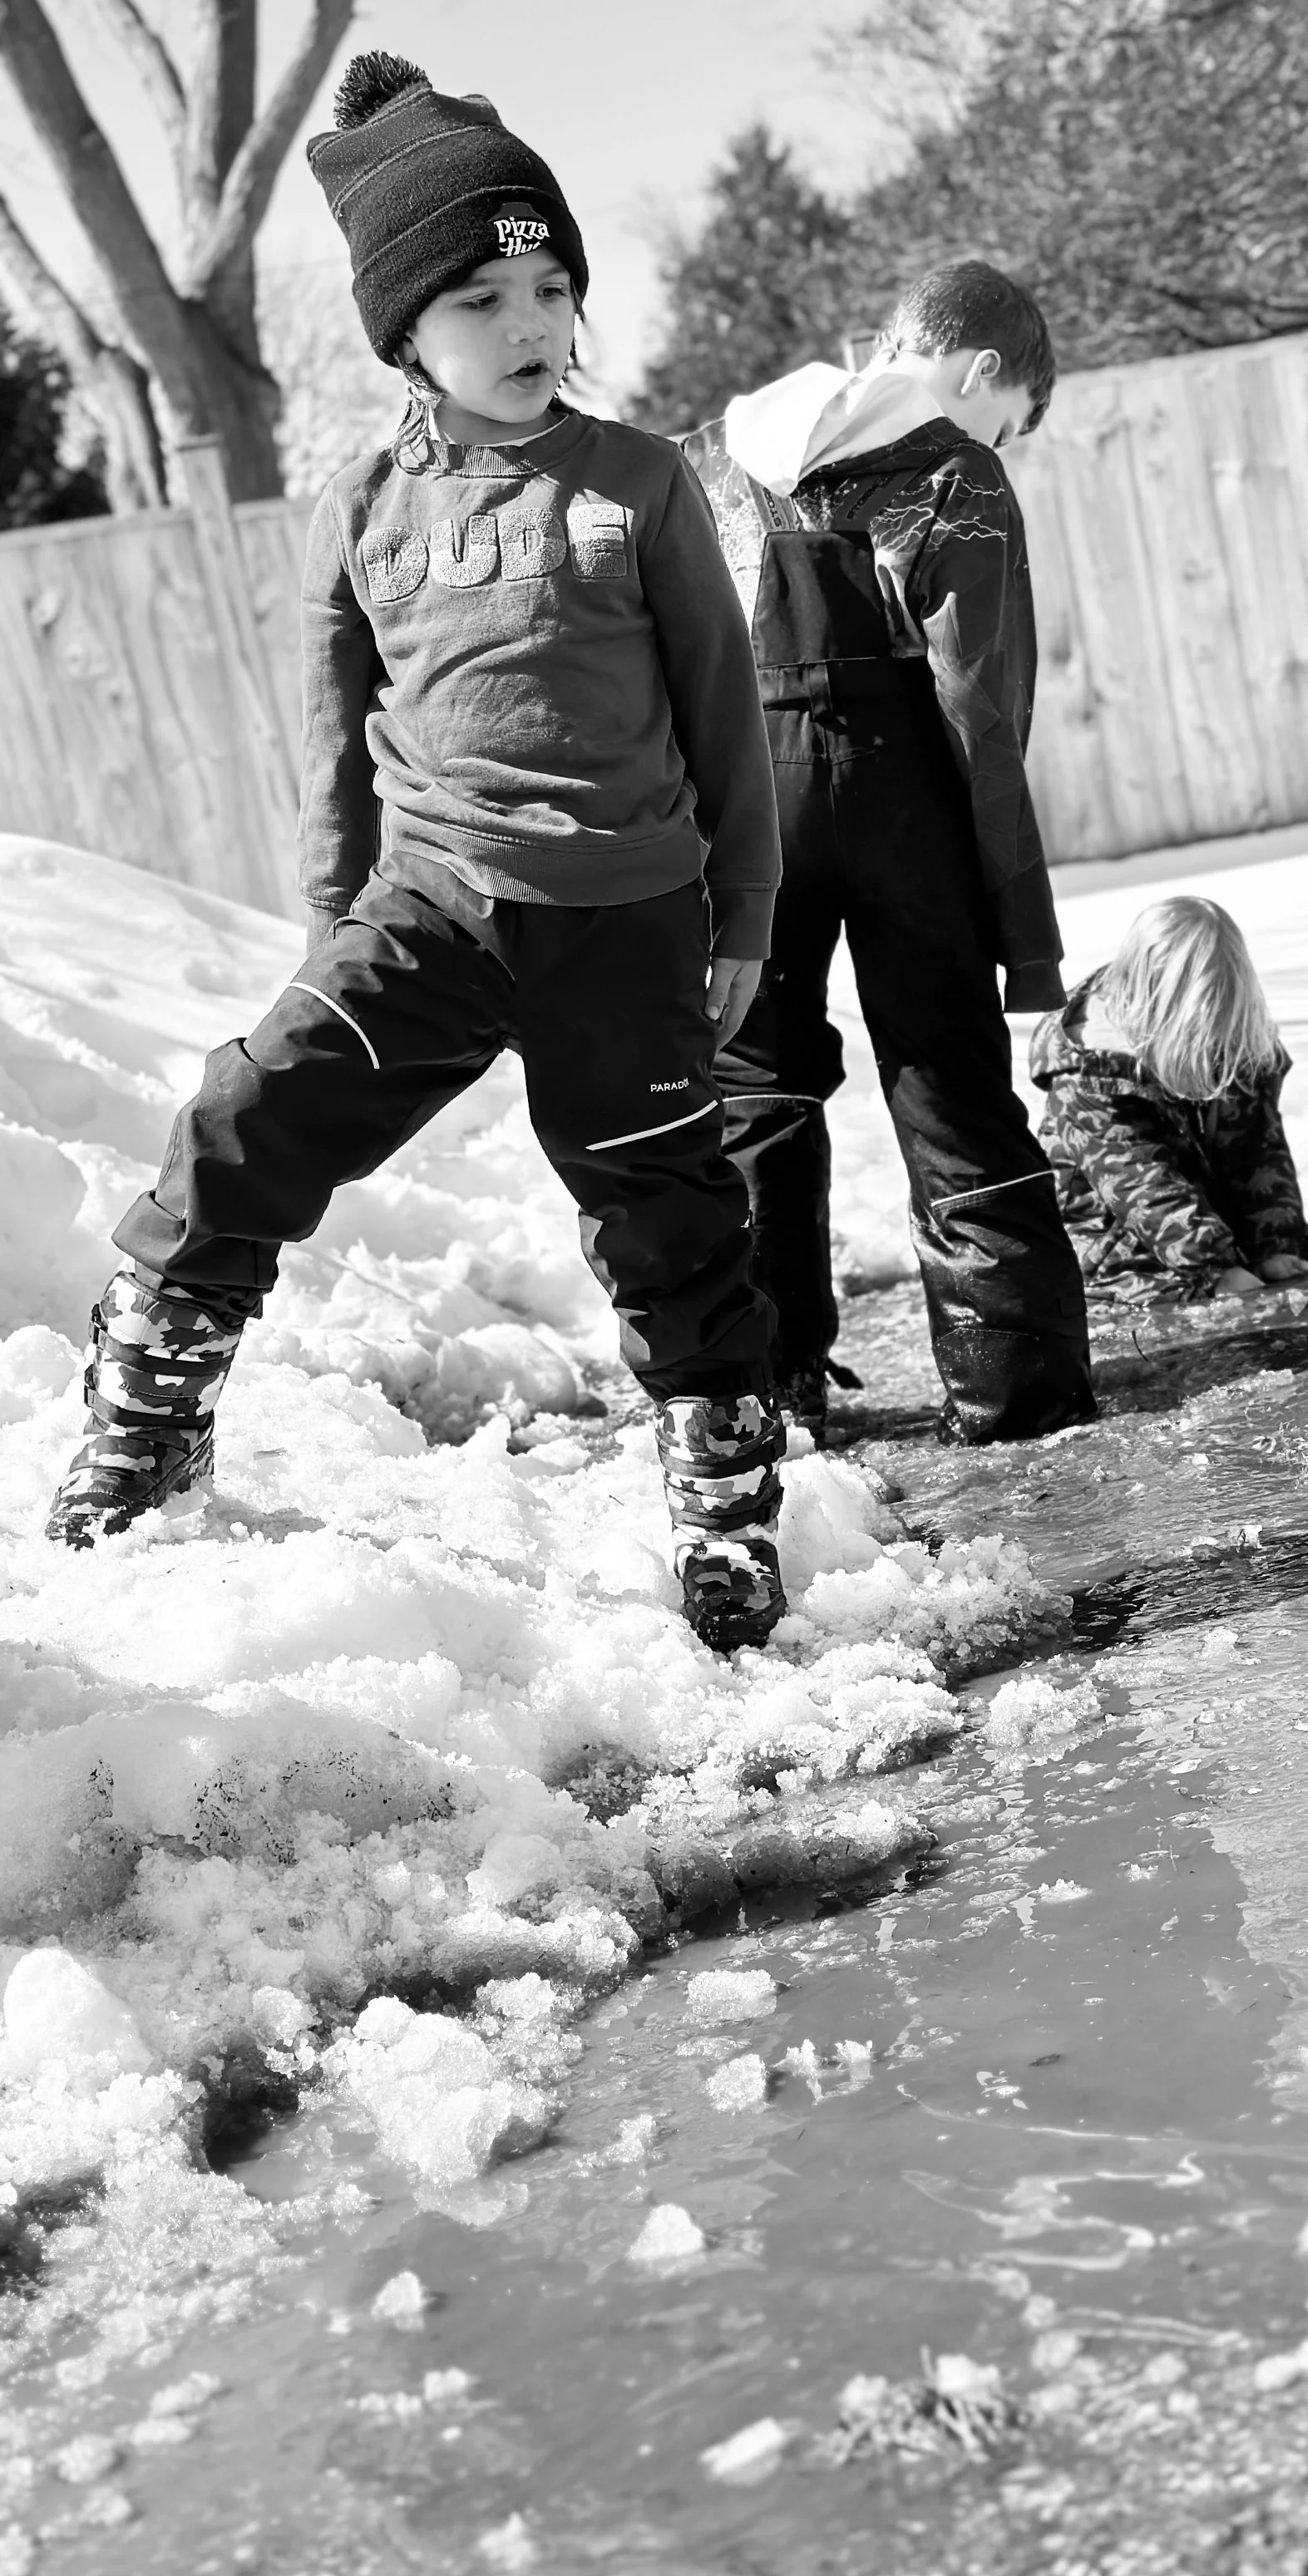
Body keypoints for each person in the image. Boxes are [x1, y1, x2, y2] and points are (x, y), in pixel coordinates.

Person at [43, 51, 792, 1653]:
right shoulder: (363, 504)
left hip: (630, 917)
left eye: (550, 288)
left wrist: (743, 917)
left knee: (668, 1211)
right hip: (433, 908)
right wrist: (336, 925)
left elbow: (728, 720)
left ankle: (723, 1497)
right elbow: (330, 737)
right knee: (249, 1115)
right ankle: (148, 1404)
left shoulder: (637, 482)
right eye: (484, 300)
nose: (530, 326)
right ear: (405, 335)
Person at [685, 262, 1097, 1447]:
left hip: (744, 792)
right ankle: (1016, 1393)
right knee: (949, 1077)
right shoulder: (959, 473)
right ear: (976, 375)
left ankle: (767, 1386)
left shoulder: (718, 452)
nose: (998, 438)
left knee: (753, 1082)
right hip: (901, 784)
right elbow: (982, 702)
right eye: (1007, 415)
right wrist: (1018, 923)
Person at [1029, 896, 1308, 1299]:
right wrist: (1216, 1267)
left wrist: (1275, 1245)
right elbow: (1142, 1184)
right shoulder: (1091, 1074)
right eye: (1196, 1027)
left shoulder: (1234, 1036)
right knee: (1178, 1299)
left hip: (1210, 1230)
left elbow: (1260, 1150)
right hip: (1117, 1250)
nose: (1210, 1040)